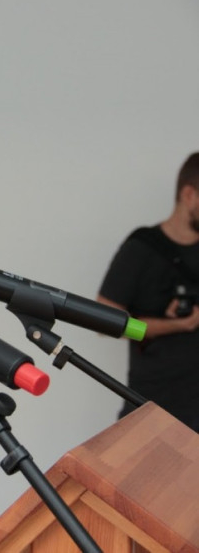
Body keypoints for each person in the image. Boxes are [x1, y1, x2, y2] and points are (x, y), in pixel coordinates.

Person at [97, 152, 199, 432]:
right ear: (189, 195)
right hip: (152, 410)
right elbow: (104, 322)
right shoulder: (141, 249)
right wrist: (173, 325)